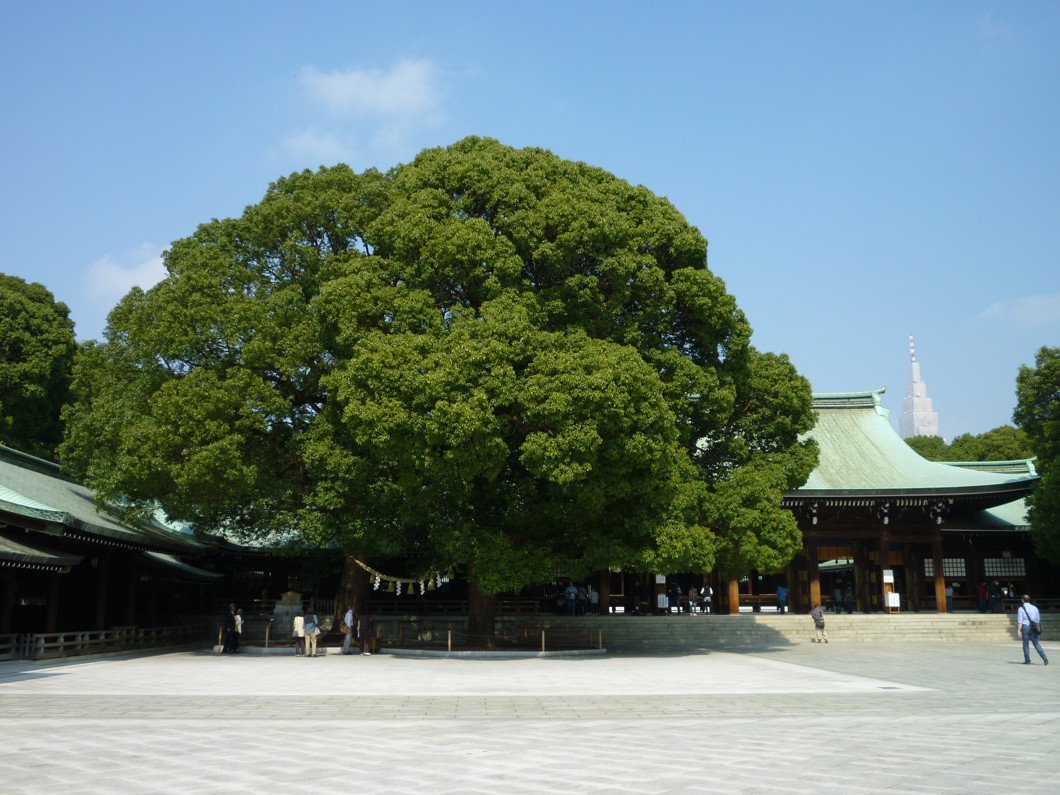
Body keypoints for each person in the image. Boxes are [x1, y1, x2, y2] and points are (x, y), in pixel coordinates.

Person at [1017, 594, 1048, 666]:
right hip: (1034, 627)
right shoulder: (1035, 608)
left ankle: (1027, 660)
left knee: (1025, 644)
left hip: (1025, 627)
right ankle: (1044, 657)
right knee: (1036, 643)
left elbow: (1020, 621)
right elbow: (1038, 619)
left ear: (1022, 600)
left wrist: (1019, 630)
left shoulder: (1021, 608)